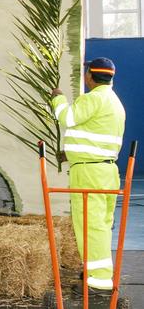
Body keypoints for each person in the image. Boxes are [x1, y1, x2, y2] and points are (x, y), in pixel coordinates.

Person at [51, 57, 125, 296]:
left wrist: (58, 98)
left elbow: (68, 118)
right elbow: (94, 136)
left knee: (89, 225)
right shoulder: (114, 102)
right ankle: (99, 276)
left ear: (90, 76)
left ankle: (97, 281)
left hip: (89, 172)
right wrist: (69, 154)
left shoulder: (94, 98)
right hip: (106, 171)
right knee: (101, 225)